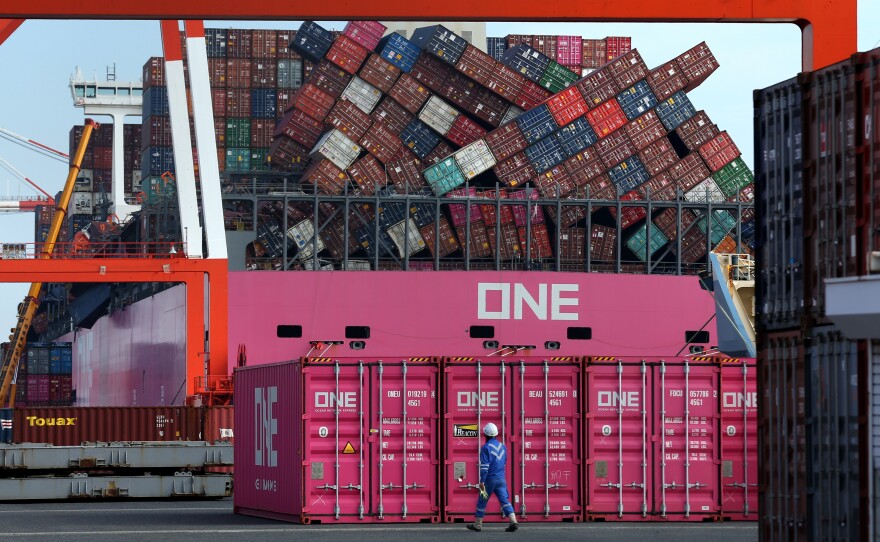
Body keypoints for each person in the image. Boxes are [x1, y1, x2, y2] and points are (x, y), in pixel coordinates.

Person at [467, 422, 519, 532]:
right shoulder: (503, 446)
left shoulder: (485, 448)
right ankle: (513, 521)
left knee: (482, 500)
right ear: (496, 434)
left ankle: (477, 525)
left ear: (485, 434)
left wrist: (482, 481)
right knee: (504, 500)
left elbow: (484, 467)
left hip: (489, 480)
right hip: (501, 479)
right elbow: (504, 462)